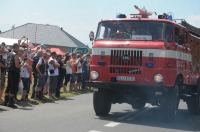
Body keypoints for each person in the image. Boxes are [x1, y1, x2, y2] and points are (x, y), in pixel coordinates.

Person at [4, 44, 22, 108]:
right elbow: (17, 65)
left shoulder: (9, 53)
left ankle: (6, 101)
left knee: (9, 85)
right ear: (15, 48)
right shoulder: (15, 55)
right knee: (13, 87)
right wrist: (22, 64)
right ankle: (11, 102)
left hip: (10, 71)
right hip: (15, 72)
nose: (19, 49)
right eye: (18, 47)